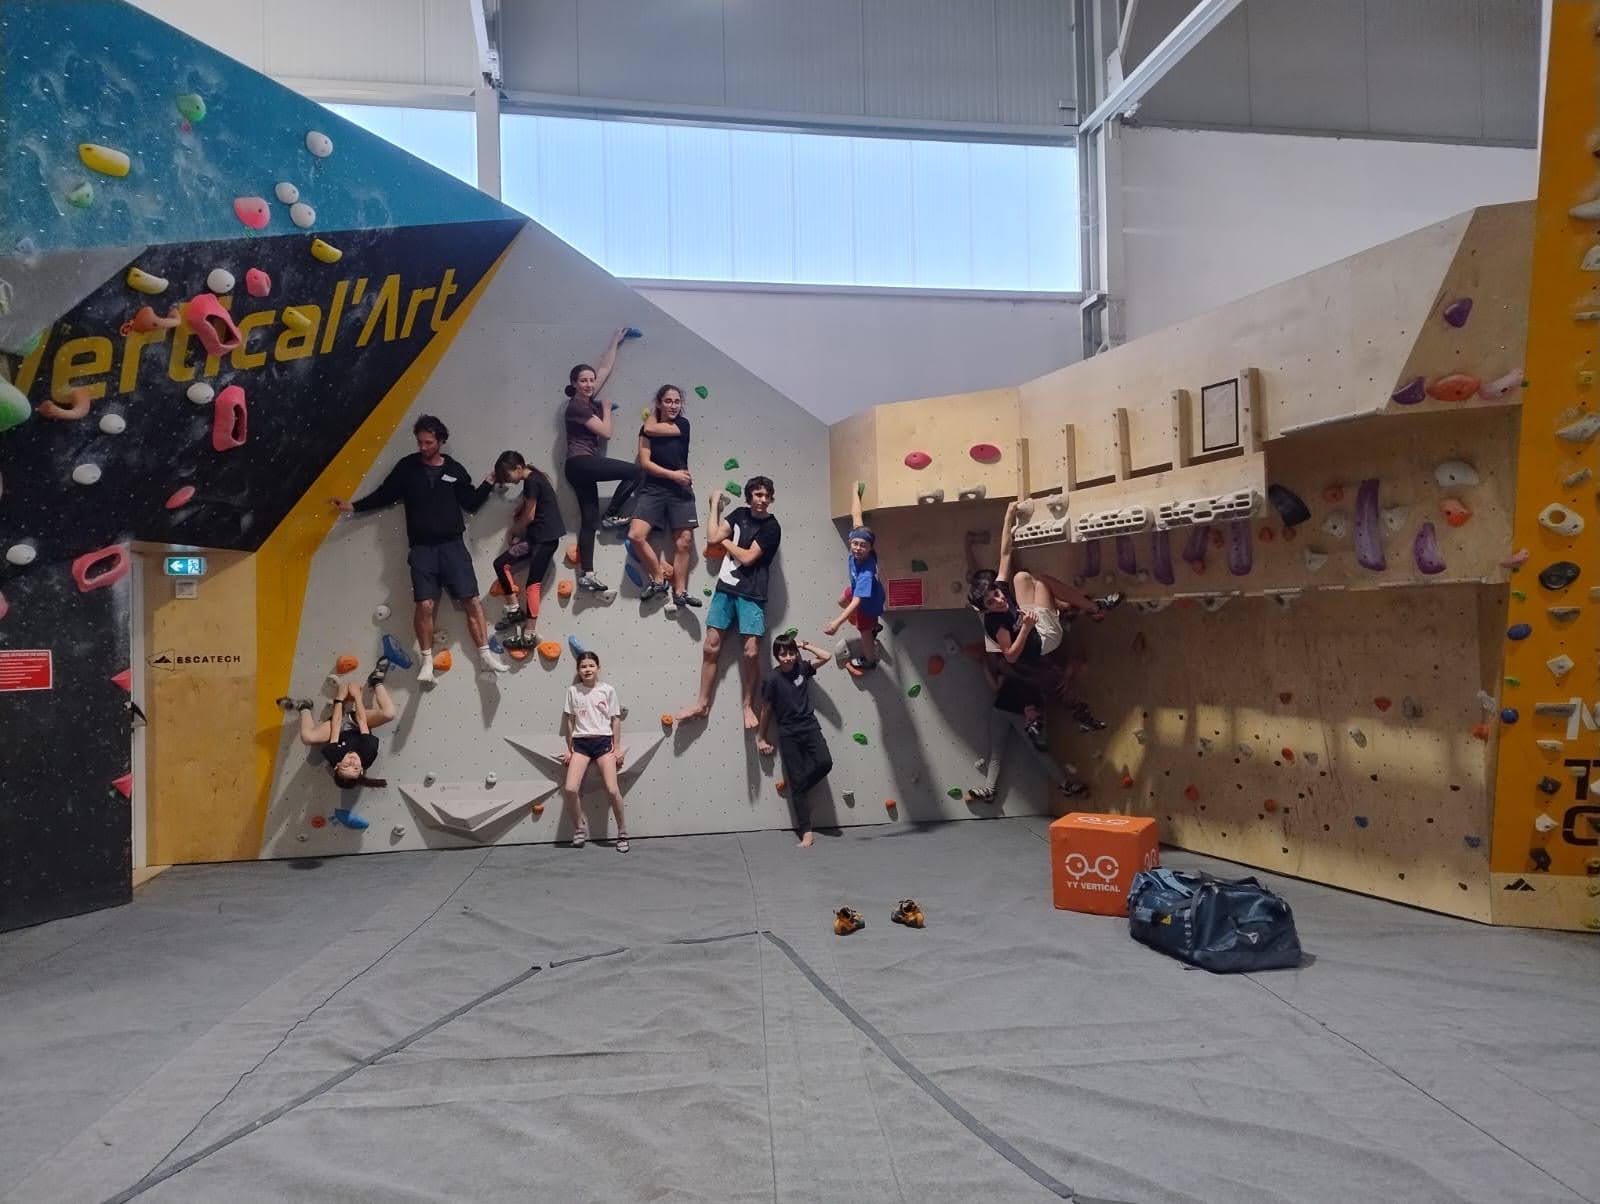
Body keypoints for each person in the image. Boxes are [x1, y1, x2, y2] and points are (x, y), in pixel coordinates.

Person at [331, 415, 509, 678]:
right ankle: (426, 661)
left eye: (428, 442)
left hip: (452, 546)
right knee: (425, 605)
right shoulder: (407, 467)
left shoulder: (455, 470)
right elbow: (385, 493)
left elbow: (470, 503)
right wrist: (354, 506)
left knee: (472, 600)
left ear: (440, 441)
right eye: (420, 442)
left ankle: (485, 655)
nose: (423, 447)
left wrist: (489, 482)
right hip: (422, 549)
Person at [676, 477, 782, 729]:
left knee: (751, 652)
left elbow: (747, 558)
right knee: (710, 647)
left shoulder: (772, 527)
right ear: (749, 497)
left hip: (753, 594)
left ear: (771, 499)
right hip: (725, 589)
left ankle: (747, 705)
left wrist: (723, 542)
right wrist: (715, 504)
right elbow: (711, 535)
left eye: (766, 495)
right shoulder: (739, 514)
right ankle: (702, 703)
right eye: (758, 494)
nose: (762, 500)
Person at [562, 329, 641, 593]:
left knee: (588, 520)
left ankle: (586, 574)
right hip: (581, 463)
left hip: (579, 468)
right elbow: (606, 432)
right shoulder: (577, 406)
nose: (589, 384)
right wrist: (606, 409)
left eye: (590, 380)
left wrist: (615, 341)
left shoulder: (585, 400)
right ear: (574, 384)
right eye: (583, 381)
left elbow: (604, 369)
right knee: (636, 472)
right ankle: (612, 514)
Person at [278, 659, 396, 829]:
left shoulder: (333, 755)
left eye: (346, 765)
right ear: (361, 770)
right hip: (357, 723)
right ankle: (376, 680)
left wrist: (339, 699)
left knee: (308, 738)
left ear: (337, 765)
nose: (352, 761)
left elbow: (336, 725)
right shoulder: (368, 752)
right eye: (355, 767)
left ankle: (304, 707)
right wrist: (357, 696)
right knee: (389, 713)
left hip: (340, 728)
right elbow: (362, 720)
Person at [966, 658, 1088, 805]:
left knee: (1037, 750)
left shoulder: (1034, 670)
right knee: (997, 753)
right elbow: (997, 688)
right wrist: (984, 665)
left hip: (1019, 714)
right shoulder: (1012, 667)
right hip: (1001, 710)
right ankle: (989, 790)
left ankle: (1065, 784)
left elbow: (1050, 688)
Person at [628, 384, 702, 615]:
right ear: (659, 403)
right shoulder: (646, 429)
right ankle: (659, 580)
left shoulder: (683, 424)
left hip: (680, 491)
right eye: (668, 401)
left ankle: (680, 593)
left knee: (684, 542)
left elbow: (652, 428)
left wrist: (678, 478)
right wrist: (673, 475)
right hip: (654, 489)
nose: (673, 406)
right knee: (636, 535)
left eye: (677, 401)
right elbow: (645, 462)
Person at [756, 633, 834, 848]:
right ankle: (806, 831)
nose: (788, 658)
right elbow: (766, 710)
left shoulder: (802, 669)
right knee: (796, 780)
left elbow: (827, 656)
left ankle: (800, 788)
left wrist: (803, 645)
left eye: (791, 653)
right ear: (776, 656)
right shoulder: (772, 679)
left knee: (825, 763)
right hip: (788, 733)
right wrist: (761, 737)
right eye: (783, 654)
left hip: (810, 727)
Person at [488, 450, 566, 652]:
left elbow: (530, 517)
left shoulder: (532, 481)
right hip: (537, 540)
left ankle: (529, 634)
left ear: (518, 468)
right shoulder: (534, 478)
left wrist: (514, 530)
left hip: (543, 541)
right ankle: (514, 610)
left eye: (507, 475)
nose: (508, 481)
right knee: (501, 564)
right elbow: (533, 505)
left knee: (532, 585)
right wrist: (522, 506)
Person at [559, 650, 630, 852]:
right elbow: (570, 721)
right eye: (583, 666)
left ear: (598, 668)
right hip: (581, 745)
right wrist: (570, 749)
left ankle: (622, 832)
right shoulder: (573, 691)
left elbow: (615, 719)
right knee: (570, 789)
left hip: (603, 743)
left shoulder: (608, 690)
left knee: (612, 789)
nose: (587, 669)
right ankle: (579, 828)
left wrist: (617, 747)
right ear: (578, 670)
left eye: (591, 665)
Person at [822, 480, 884, 673]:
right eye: (855, 544)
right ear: (850, 541)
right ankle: (873, 625)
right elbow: (857, 516)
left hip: (868, 601)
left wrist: (837, 623)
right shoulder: (857, 538)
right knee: (842, 600)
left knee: (864, 631)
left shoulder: (866, 571)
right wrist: (854, 490)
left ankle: (870, 660)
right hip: (857, 589)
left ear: (870, 548)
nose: (858, 548)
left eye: (863, 546)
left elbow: (858, 601)